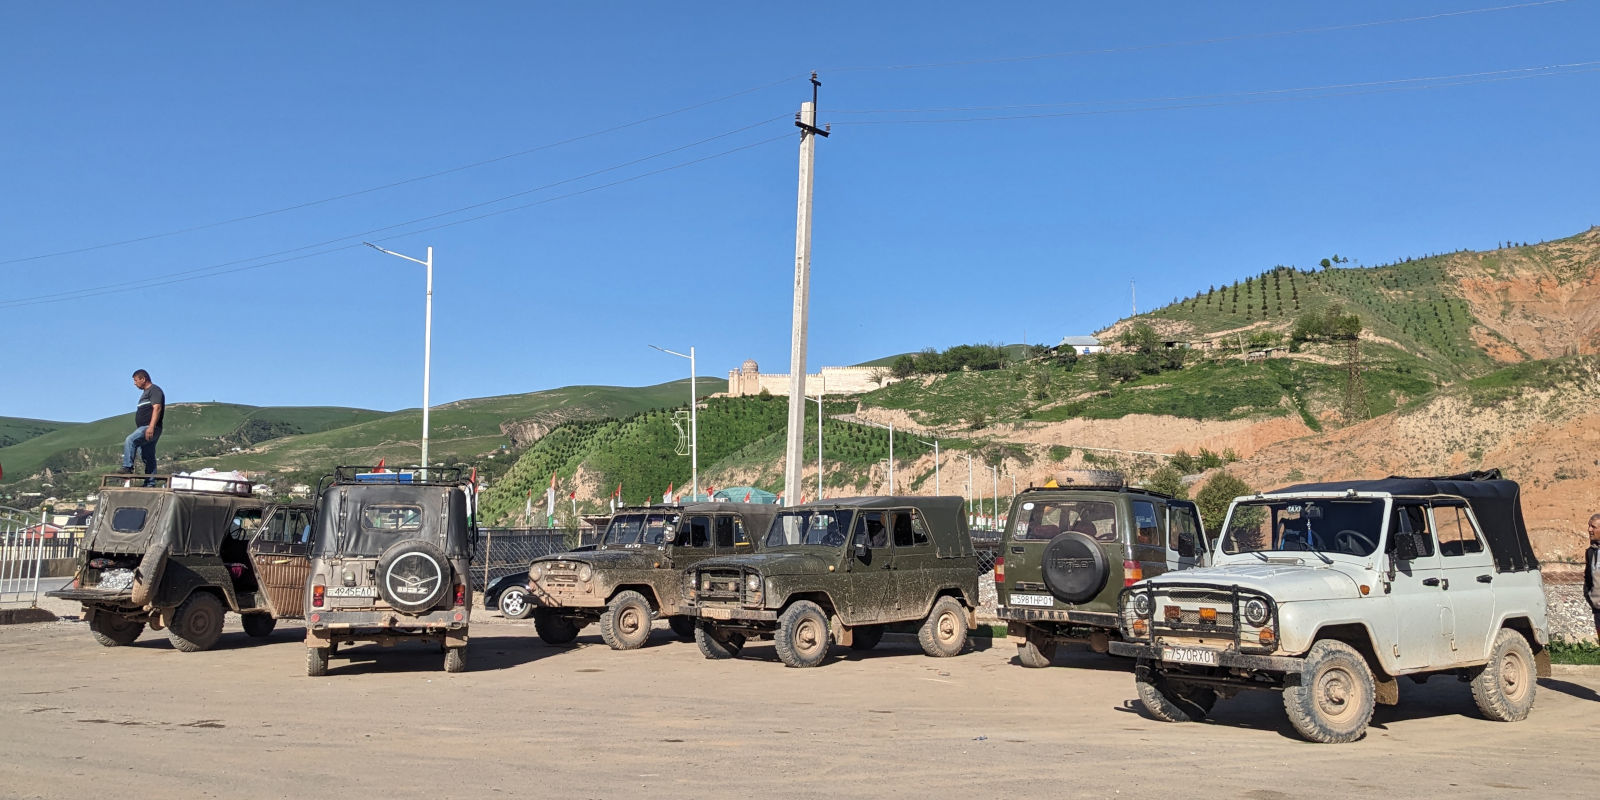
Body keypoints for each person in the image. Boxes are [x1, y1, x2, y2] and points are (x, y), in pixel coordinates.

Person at [119, 369, 164, 475]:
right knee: (147, 455)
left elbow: (157, 408)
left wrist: (151, 427)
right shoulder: (146, 393)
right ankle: (150, 482)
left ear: (143, 379)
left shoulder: (154, 390)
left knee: (130, 440)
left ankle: (127, 467)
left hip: (148, 427)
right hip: (146, 427)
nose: (135, 384)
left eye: (136, 380)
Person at [1585, 512, 1600, 640]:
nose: (1589, 529)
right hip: (1598, 609)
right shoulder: (1590, 552)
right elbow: (1588, 579)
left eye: (1593, 527)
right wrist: (1590, 598)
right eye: (1589, 526)